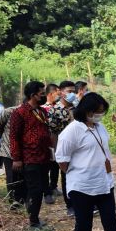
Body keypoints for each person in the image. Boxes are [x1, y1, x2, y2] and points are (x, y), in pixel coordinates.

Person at [56, 93, 116, 231]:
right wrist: (77, 173)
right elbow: (61, 159)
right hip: (81, 184)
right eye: (97, 112)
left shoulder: (99, 126)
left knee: (110, 219)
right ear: (87, 110)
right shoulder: (72, 131)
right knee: (84, 221)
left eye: (102, 112)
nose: (100, 115)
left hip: (103, 181)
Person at [10, 81, 53, 230]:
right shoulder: (20, 113)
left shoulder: (42, 111)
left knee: (41, 188)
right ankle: (33, 221)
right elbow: (14, 137)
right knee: (34, 189)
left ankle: (35, 216)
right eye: (41, 93)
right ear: (32, 95)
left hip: (43, 156)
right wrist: (16, 158)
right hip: (29, 157)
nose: (44, 96)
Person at [49, 81, 77, 216]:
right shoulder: (55, 110)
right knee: (66, 176)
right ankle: (70, 205)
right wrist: (56, 152)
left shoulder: (78, 108)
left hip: (80, 148)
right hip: (64, 148)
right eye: (69, 91)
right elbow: (53, 133)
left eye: (74, 91)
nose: (72, 94)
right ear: (60, 91)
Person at [0, 106, 27, 210]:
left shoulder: (33, 112)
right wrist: (5, 139)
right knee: (11, 175)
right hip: (8, 149)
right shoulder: (9, 111)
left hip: (25, 150)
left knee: (23, 174)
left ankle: (23, 198)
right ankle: (13, 200)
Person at [42, 83, 60, 204]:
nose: (59, 96)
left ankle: (53, 186)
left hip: (57, 141)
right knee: (45, 167)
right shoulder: (42, 108)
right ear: (50, 94)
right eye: (57, 94)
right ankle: (46, 192)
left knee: (56, 165)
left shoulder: (59, 107)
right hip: (45, 142)